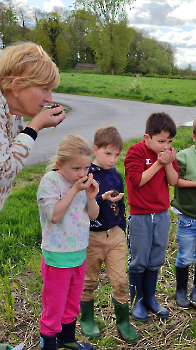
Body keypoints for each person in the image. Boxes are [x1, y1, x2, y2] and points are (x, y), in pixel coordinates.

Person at [37, 135, 99, 350]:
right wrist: (75, 190)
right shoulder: (50, 182)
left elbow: (93, 215)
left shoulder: (82, 184)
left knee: (72, 301)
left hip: (78, 254)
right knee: (54, 305)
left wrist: (91, 197)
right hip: (57, 257)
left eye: (86, 167)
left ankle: (67, 339)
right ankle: (49, 344)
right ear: (59, 164)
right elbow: (54, 215)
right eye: (76, 168)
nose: (82, 173)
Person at [80, 126, 138, 344]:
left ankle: (123, 321)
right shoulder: (87, 175)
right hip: (91, 237)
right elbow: (83, 208)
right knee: (89, 280)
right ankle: (87, 318)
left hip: (114, 236)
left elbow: (121, 203)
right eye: (108, 153)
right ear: (96, 149)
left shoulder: (115, 175)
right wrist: (101, 198)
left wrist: (121, 227)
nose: (113, 159)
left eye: (117, 154)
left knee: (121, 279)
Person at [124, 112, 179, 322]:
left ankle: (150, 298)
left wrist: (167, 162)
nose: (166, 146)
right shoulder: (136, 151)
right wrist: (158, 163)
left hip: (162, 214)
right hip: (140, 215)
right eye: (161, 141)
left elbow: (173, 181)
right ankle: (136, 300)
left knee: (156, 258)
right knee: (139, 258)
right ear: (147, 138)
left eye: (170, 141)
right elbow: (137, 181)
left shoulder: (168, 154)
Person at [0, 41, 65, 210]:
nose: (50, 99)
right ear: (16, 86)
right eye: (44, 89)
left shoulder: (13, 112)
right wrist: (34, 127)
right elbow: (3, 173)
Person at [171, 119, 196, 308]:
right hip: (188, 216)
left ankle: (195, 289)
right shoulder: (184, 157)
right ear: (194, 137)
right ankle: (181, 291)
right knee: (185, 256)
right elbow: (175, 180)